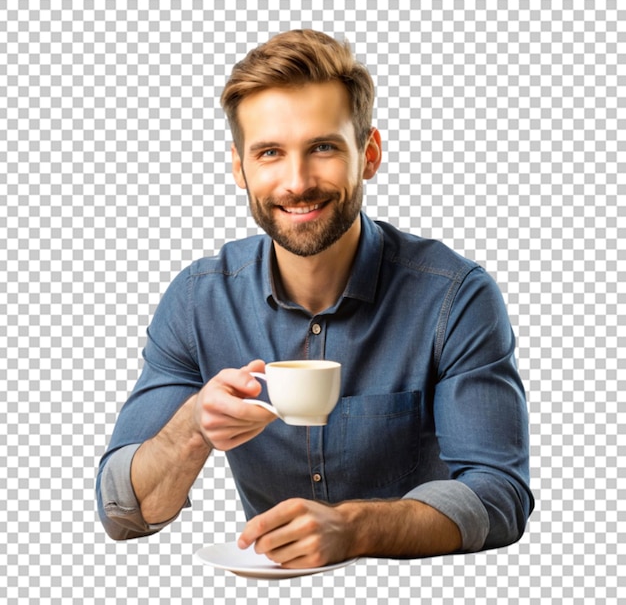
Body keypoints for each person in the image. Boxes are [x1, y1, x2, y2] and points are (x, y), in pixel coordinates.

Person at [97, 29, 534, 567]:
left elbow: (500, 496)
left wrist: (356, 528)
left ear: (368, 154)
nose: (297, 182)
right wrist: (194, 428)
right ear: (240, 168)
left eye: (323, 147)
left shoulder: (455, 297)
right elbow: (123, 512)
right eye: (270, 153)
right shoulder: (197, 301)